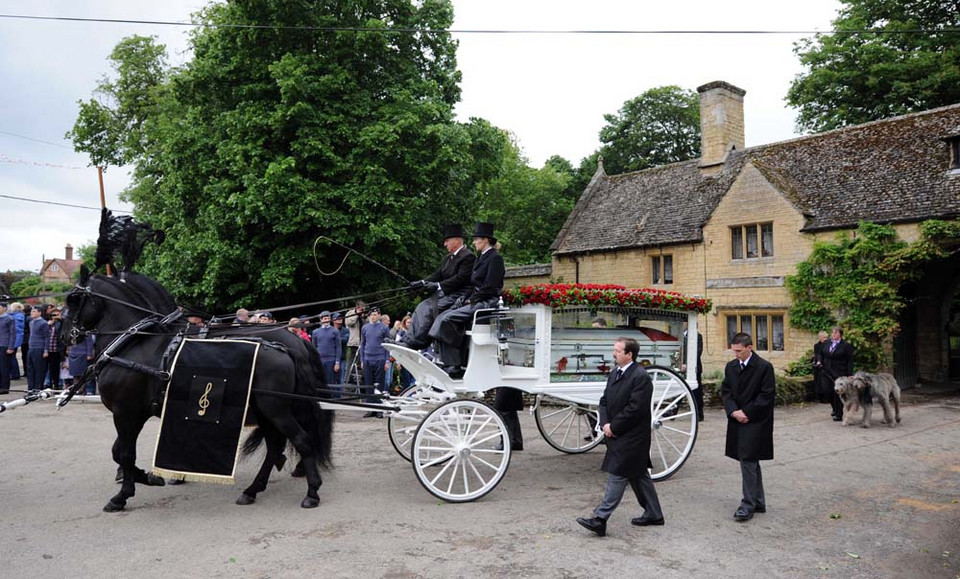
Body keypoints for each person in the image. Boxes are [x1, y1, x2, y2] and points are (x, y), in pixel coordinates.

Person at [577, 337, 664, 537]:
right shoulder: (615, 373)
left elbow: (635, 409)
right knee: (639, 474)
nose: (614, 354)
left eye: (617, 351)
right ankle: (654, 513)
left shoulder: (640, 377)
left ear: (629, 354)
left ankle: (600, 518)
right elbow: (604, 400)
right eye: (614, 350)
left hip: (632, 436)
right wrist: (605, 423)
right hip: (616, 432)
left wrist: (614, 427)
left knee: (617, 474)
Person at [428, 222, 505, 377]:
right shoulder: (480, 258)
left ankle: (454, 363)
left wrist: (472, 299)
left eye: (476, 239)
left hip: (486, 302)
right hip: (475, 299)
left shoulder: (495, 259)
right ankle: (448, 359)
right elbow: (472, 285)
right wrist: (464, 298)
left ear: (485, 240)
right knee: (442, 315)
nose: (474, 242)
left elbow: (491, 286)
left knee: (447, 319)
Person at [721, 332, 775, 522]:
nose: (736, 354)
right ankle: (758, 501)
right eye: (733, 351)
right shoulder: (731, 367)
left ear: (749, 348)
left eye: (739, 351)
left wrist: (748, 412)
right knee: (749, 460)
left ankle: (748, 504)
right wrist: (733, 410)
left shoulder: (764, 367)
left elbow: (767, 395)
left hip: (757, 420)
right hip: (737, 418)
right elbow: (726, 391)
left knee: (748, 459)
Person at [401, 224, 476, 350]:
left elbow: (461, 278)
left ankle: (416, 342)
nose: (445, 244)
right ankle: (408, 339)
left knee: (427, 308)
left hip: (459, 295)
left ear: (457, 240)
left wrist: (437, 286)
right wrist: (422, 283)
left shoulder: (468, 257)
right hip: (447, 294)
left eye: (447, 241)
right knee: (421, 306)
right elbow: (438, 274)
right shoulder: (447, 258)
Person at [360, 307, 390, 418]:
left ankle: (379, 409)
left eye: (376, 314)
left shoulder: (384, 328)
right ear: (369, 316)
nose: (374, 316)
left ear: (379, 315)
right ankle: (370, 408)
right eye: (372, 314)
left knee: (379, 384)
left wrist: (387, 360)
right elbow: (362, 344)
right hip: (368, 358)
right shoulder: (365, 328)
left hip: (380, 358)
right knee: (368, 384)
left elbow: (388, 345)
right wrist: (362, 360)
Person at [821, 326, 854, 421]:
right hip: (826, 371)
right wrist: (819, 361)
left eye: (835, 333)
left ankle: (839, 414)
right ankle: (834, 408)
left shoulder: (846, 345)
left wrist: (849, 374)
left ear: (840, 334)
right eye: (832, 332)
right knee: (826, 391)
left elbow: (850, 360)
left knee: (837, 393)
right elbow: (822, 354)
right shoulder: (827, 343)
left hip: (839, 372)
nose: (833, 334)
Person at [311, 311, 341, 393]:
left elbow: (338, 347)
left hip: (331, 360)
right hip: (320, 360)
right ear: (321, 320)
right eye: (325, 319)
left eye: (328, 318)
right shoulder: (315, 332)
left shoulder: (335, 331)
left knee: (330, 382)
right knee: (320, 380)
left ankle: (331, 399)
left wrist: (337, 362)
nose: (327, 320)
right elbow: (313, 347)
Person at [680, 321, 705, 422]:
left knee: (696, 391)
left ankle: (699, 413)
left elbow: (697, 351)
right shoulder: (681, 336)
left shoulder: (697, 336)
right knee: (680, 386)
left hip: (694, 368)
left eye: (684, 323)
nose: (682, 325)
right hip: (682, 367)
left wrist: (687, 363)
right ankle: (673, 410)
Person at [26, 305, 51, 391]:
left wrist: (46, 350)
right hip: (31, 347)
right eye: (31, 311)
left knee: (39, 369)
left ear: (39, 313)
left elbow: (47, 337)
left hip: (39, 348)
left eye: (34, 311)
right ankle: (31, 387)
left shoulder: (43, 323)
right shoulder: (31, 322)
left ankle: (38, 388)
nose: (32, 313)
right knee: (30, 368)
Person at [344, 300, 367, 383]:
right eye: (361, 309)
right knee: (351, 362)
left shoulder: (363, 314)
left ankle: (359, 381)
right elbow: (348, 323)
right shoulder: (350, 313)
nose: (362, 311)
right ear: (357, 307)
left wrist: (364, 316)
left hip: (363, 342)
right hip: (354, 342)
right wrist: (357, 314)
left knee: (360, 363)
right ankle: (347, 380)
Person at [0, 301, 15, 394]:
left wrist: (10, 347)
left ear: (4, 308)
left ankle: (5, 388)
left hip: (4, 345)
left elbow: (12, 334)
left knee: (4, 367)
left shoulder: (9, 319)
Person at [812, 330, 829, 403]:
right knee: (818, 382)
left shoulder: (828, 345)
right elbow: (817, 354)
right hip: (818, 366)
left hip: (826, 366)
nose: (825, 339)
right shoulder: (816, 346)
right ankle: (819, 397)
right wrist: (818, 362)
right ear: (820, 338)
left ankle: (826, 398)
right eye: (824, 337)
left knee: (825, 383)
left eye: (826, 337)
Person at [333, 312, 349, 383]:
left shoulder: (346, 330)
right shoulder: (330, 330)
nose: (340, 319)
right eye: (338, 318)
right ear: (333, 320)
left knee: (341, 379)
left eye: (341, 318)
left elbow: (345, 340)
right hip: (331, 357)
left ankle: (340, 394)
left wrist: (334, 338)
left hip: (342, 358)